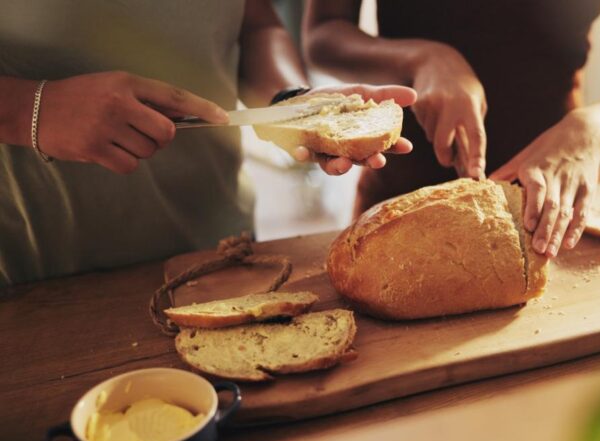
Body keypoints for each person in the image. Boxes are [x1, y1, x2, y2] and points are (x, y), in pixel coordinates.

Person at [0, 0, 415, 286]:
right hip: (43, 263)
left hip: (216, 243)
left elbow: (255, 21)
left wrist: (287, 100)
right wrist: (31, 108)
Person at [304, 0, 600, 257]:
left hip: (558, 194)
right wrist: (422, 58)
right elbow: (323, 33)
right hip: (403, 190)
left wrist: (591, 129)